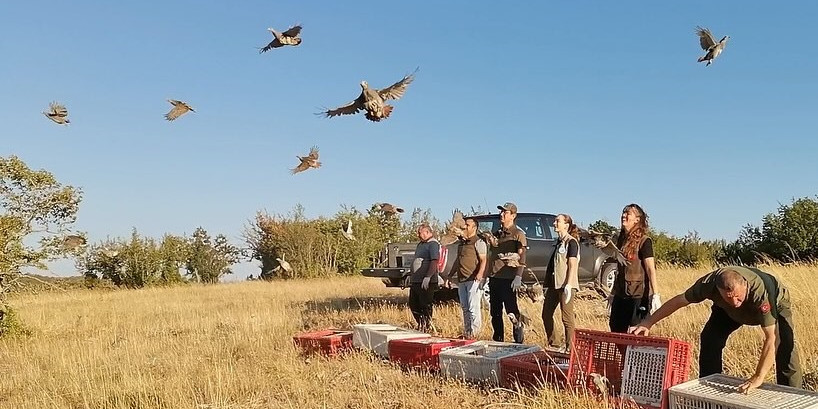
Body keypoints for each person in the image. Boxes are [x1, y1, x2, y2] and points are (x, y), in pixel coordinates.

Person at [629, 266, 803, 393]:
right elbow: (679, 301)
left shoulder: (760, 292)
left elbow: (772, 338)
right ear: (718, 291)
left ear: (745, 285)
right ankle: (709, 386)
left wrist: (758, 377)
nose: (735, 302)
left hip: (776, 304)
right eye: (729, 298)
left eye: (737, 297)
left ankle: (792, 394)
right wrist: (648, 322)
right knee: (710, 338)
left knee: (786, 346)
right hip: (725, 311)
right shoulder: (708, 284)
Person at [608, 203, 660, 333]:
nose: (624, 216)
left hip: (638, 296)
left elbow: (650, 269)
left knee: (635, 333)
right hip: (621, 294)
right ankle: (623, 354)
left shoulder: (644, 241)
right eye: (623, 213)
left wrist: (655, 294)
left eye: (628, 213)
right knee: (615, 329)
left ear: (637, 219)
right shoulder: (620, 240)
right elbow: (619, 270)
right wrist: (613, 293)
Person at [485, 202, 527, 343]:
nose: (502, 214)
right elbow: (491, 255)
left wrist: (518, 276)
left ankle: (518, 342)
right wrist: (486, 275)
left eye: (505, 212)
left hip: (508, 279)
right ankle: (498, 341)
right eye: (501, 212)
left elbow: (522, 256)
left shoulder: (518, 234)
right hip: (494, 277)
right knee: (495, 313)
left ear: (513, 215)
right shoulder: (497, 234)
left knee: (511, 312)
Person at [541, 214, 580, 352]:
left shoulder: (572, 242)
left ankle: (571, 348)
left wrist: (569, 284)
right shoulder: (558, 242)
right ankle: (554, 344)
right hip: (554, 285)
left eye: (558, 221)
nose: (554, 223)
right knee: (546, 314)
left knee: (567, 317)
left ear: (566, 225)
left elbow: (572, 264)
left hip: (565, 285)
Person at [450, 216, 488, 339]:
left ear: (474, 228)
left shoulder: (478, 242)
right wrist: (449, 276)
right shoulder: (462, 243)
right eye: (465, 225)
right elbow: (457, 261)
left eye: (467, 225)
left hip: (473, 279)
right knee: (465, 307)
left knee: (473, 308)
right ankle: (468, 333)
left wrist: (480, 274)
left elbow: (483, 260)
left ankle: (476, 334)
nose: (464, 227)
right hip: (462, 279)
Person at [408, 224, 440, 332]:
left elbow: (434, 261)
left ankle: (427, 326)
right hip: (416, 280)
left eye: (420, 233)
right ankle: (421, 324)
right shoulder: (421, 244)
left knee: (424, 304)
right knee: (413, 304)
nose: (418, 235)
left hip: (426, 281)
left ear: (427, 232)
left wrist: (428, 277)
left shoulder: (433, 244)